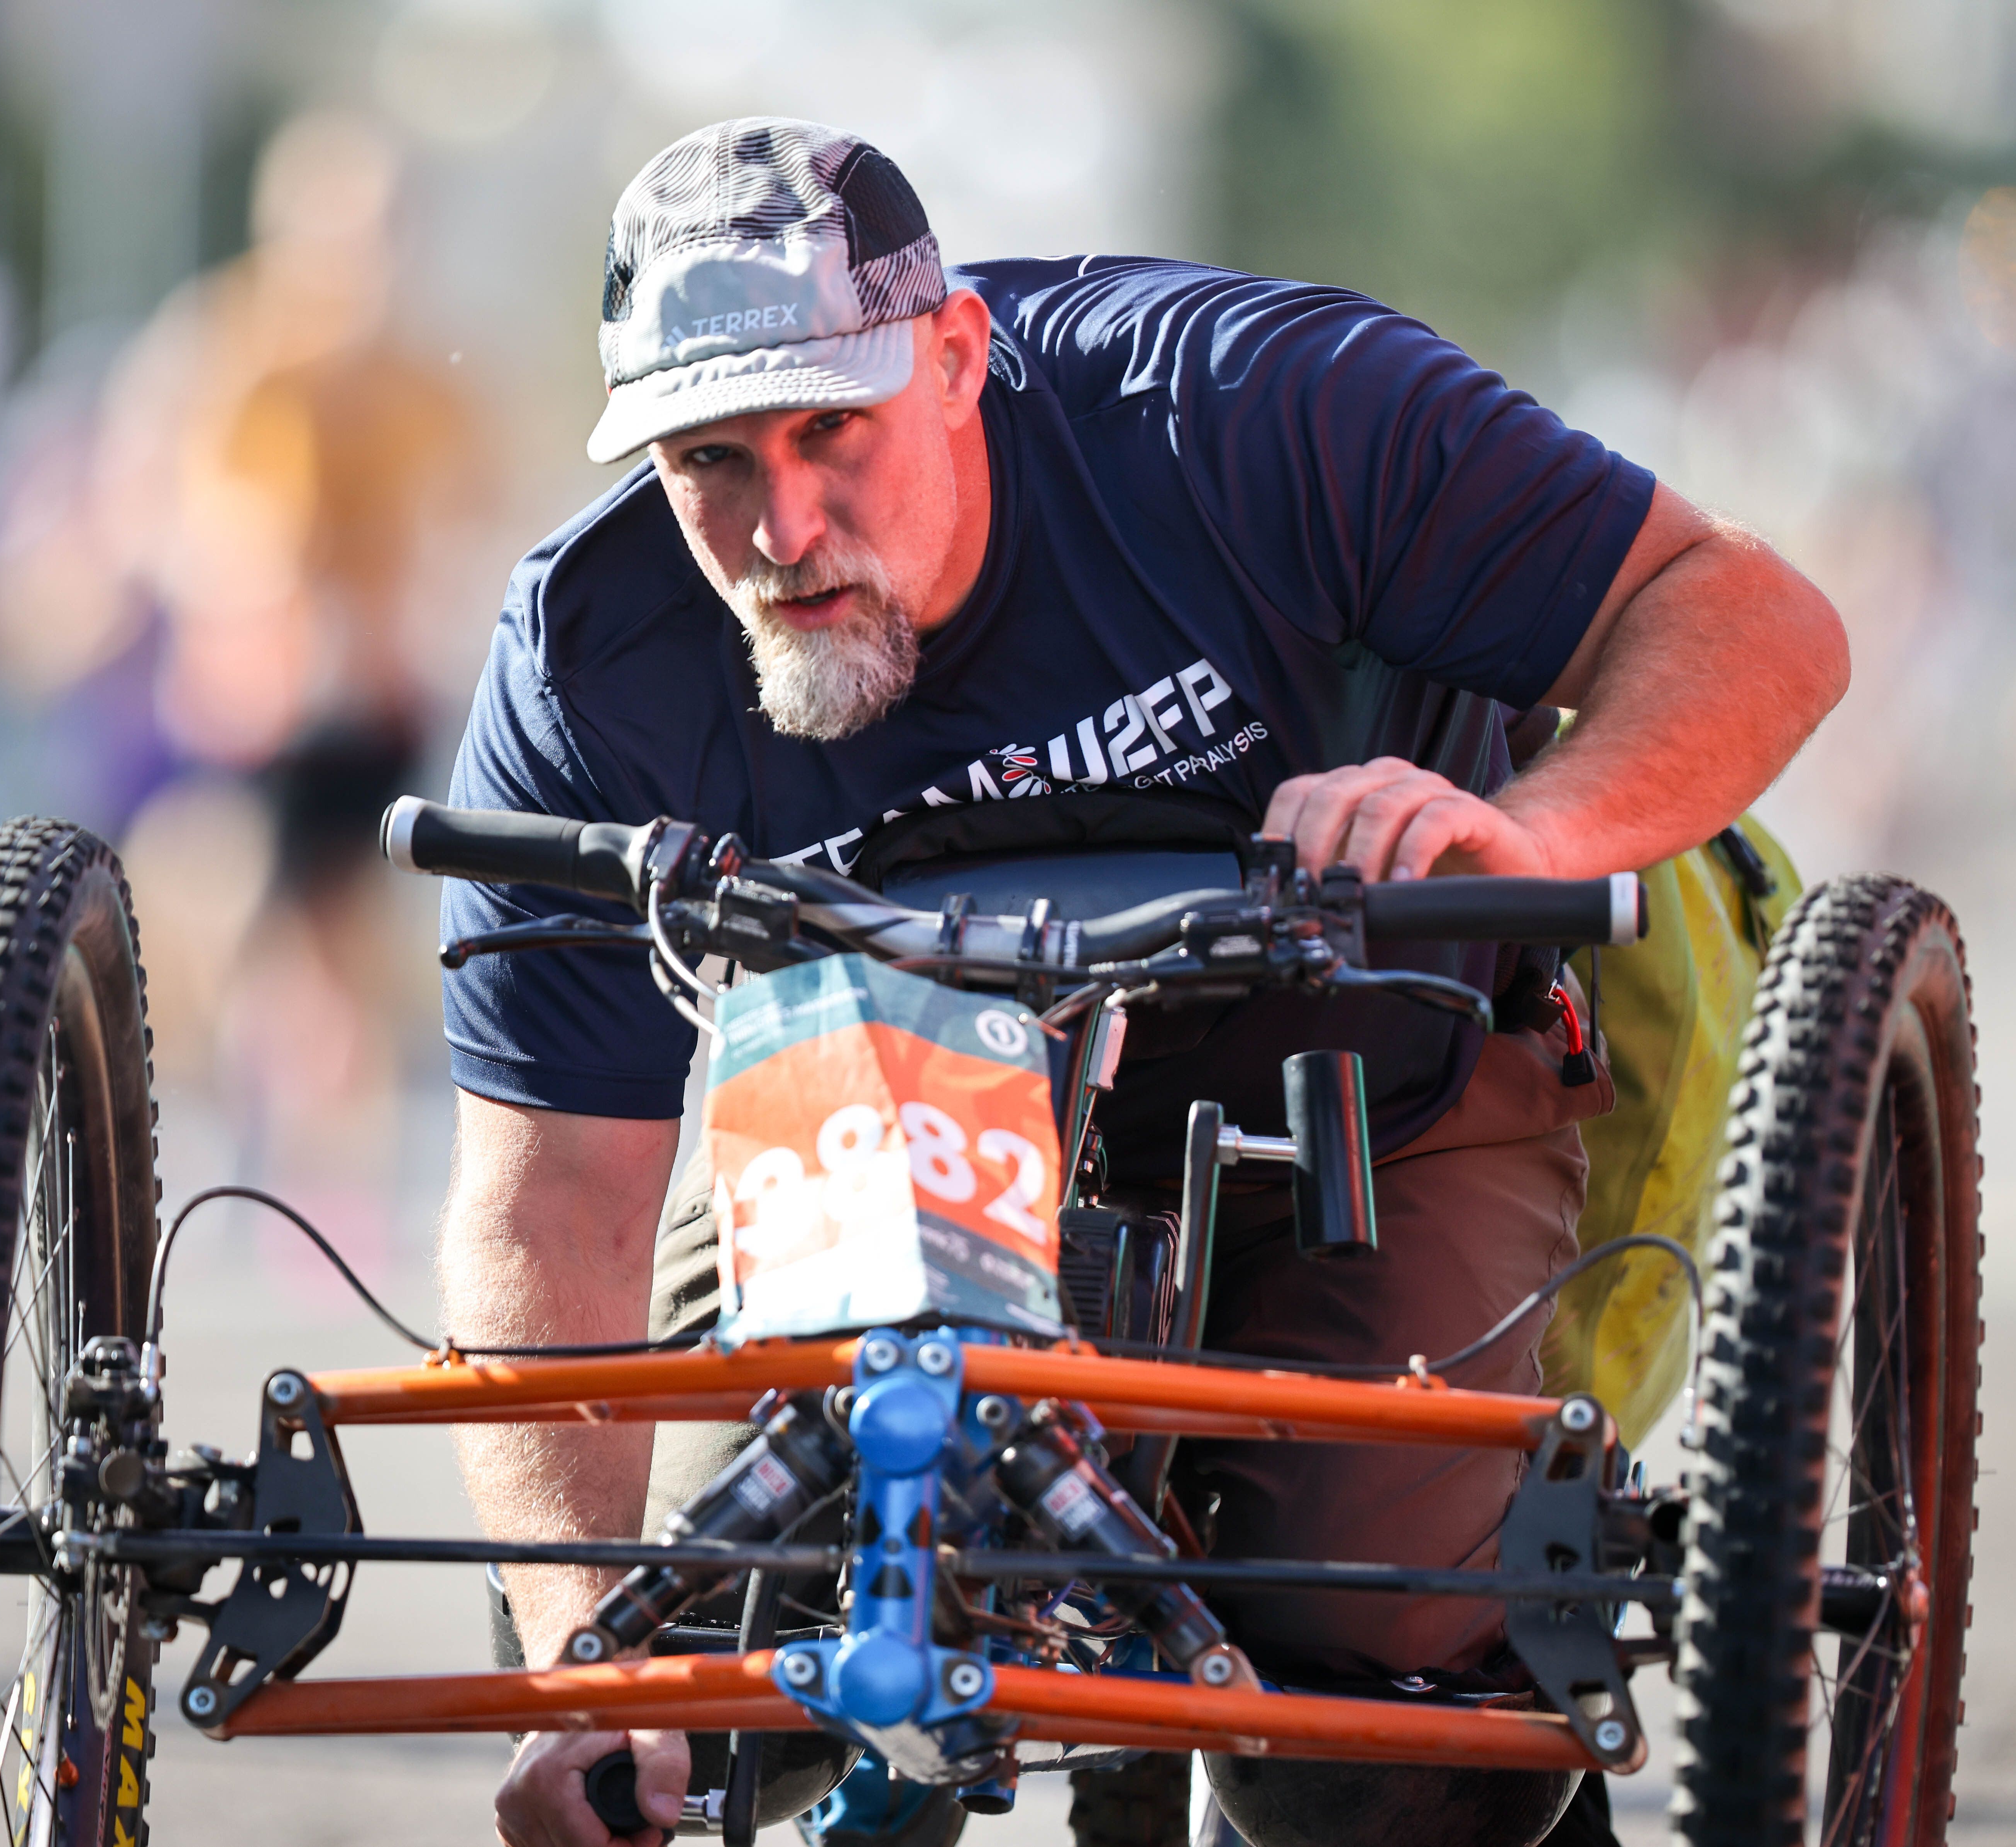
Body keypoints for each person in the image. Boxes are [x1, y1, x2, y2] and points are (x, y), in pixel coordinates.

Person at [434, 119, 1847, 1847]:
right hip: (877, 1110)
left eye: (833, 432)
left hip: (1366, 1088)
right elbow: (547, 1203)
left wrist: (1519, 825)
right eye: (709, 459)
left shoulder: (1257, 417)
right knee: (731, 1646)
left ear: (956, 358)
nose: (782, 524)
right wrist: (589, 1669)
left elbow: (1761, 620)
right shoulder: (592, 659)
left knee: (1368, 1710)